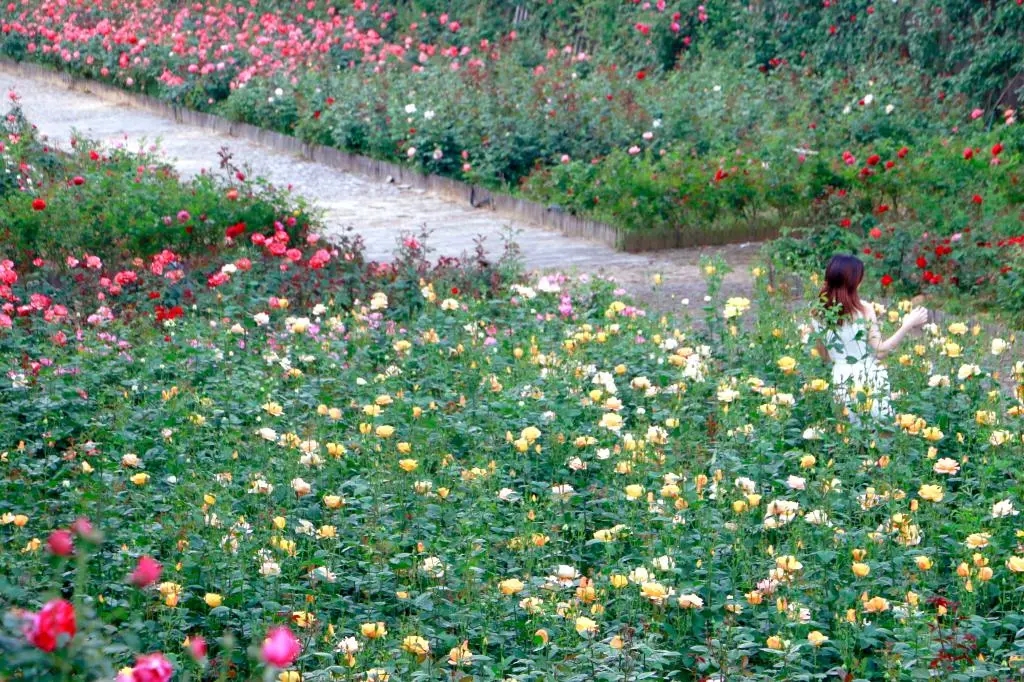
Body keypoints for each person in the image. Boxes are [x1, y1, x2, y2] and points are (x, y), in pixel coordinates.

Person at [814, 254, 928, 424]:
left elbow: (824, 356)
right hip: (867, 377)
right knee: (880, 434)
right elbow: (880, 351)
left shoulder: (817, 313)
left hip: (840, 378)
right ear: (854, 281)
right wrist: (906, 325)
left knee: (848, 435)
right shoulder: (863, 309)